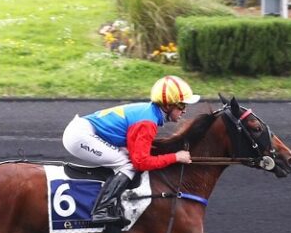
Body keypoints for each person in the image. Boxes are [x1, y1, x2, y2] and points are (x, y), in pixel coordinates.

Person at [62, 75, 200, 225]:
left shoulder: (148, 112)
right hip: (79, 137)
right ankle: (101, 210)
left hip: (82, 130)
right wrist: (176, 157)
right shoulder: (147, 122)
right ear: (167, 106)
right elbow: (141, 163)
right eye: (181, 106)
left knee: (127, 157)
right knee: (128, 165)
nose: (184, 111)